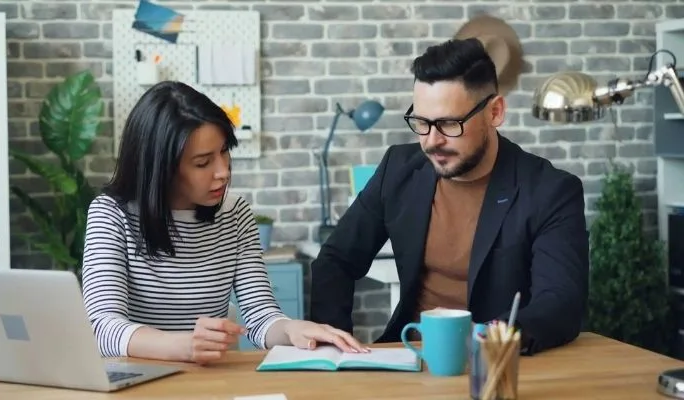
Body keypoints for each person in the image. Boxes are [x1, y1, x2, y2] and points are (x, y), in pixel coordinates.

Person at [308, 38, 589, 356]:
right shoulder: (398, 169)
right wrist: (335, 346)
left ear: (495, 112)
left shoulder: (550, 191)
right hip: (408, 354)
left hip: (494, 361)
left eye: (448, 124)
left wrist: (493, 338)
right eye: (422, 122)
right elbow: (336, 260)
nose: (431, 141)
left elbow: (560, 302)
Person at [81, 81, 367, 365]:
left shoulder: (235, 213)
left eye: (224, 151)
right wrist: (183, 346)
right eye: (203, 163)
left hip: (211, 382)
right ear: (161, 168)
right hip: (135, 381)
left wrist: (292, 328)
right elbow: (101, 327)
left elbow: (261, 316)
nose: (223, 172)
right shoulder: (111, 214)